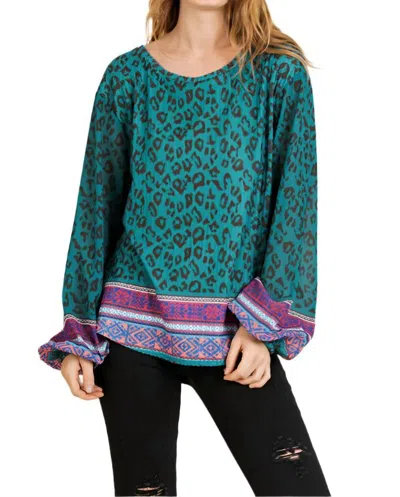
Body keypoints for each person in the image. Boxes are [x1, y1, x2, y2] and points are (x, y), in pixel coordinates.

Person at [38, 0, 331, 495]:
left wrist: (262, 326)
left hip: (234, 335)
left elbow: (296, 206)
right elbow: (96, 207)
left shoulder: (278, 76)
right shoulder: (127, 78)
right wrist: (79, 331)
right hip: (130, 332)